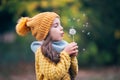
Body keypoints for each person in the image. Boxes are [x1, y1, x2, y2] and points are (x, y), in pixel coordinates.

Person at [16, 12, 78, 80]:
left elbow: (73, 74)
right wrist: (66, 54)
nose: (61, 28)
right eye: (56, 26)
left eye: (60, 25)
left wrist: (72, 57)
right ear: (46, 33)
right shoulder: (41, 52)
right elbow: (54, 75)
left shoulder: (63, 48)